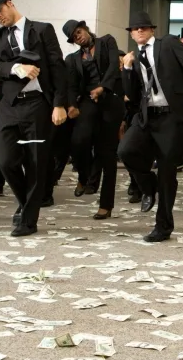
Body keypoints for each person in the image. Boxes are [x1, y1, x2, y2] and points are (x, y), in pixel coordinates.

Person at [118, 11, 183, 242]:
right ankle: (148, 186)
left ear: (152, 30)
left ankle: (163, 227)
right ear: (131, 34)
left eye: (144, 27)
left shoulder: (168, 43)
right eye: (135, 28)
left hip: (171, 117)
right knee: (125, 151)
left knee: (167, 172)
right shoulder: (133, 58)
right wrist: (127, 70)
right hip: (146, 116)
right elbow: (131, 95)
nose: (139, 30)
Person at [0, 0, 68, 237]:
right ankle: (26, 204)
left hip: (38, 105)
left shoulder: (41, 30)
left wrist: (59, 104)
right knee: (6, 162)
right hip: (9, 106)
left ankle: (28, 221)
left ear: (10, 4)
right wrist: (16, 67)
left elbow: (58, 67)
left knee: (35, 164)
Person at [61, 20, 123, 220]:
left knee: (108, 154)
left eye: (79, 32)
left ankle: (106, 205)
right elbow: (71, 86)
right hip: (88, 101)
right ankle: (83, 176)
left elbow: (114, 66)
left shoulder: (107, 41)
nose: (78, 37)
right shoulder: (73, 59)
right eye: (74, 37)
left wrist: (103, 87)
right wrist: (71, 105)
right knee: (78, 140)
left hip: (110, 98)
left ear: (85, 29)